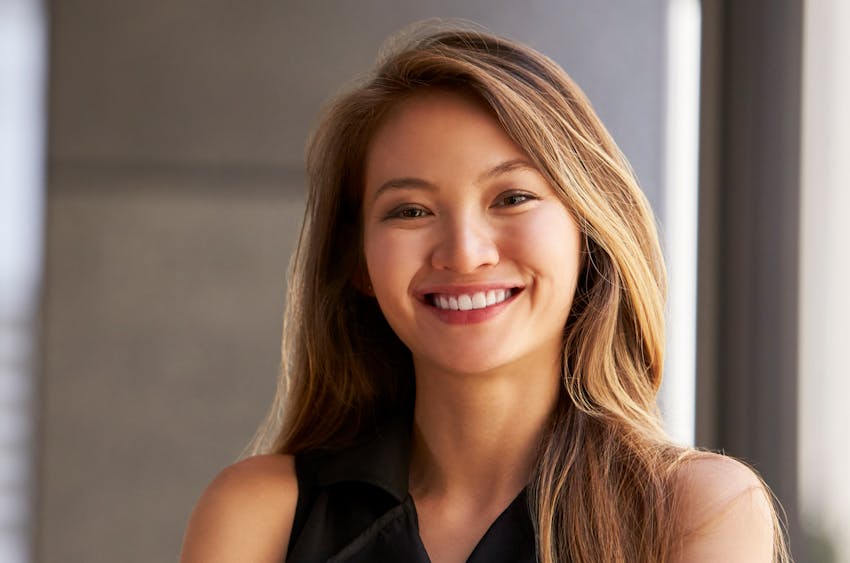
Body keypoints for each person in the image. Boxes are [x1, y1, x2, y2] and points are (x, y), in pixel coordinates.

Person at [180, 24, 790, 563]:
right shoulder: (261, 516)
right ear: (358, 262)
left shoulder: (697, 509)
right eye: (410, 210)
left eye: (512, 198)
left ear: (589, 231)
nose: (465, 252)